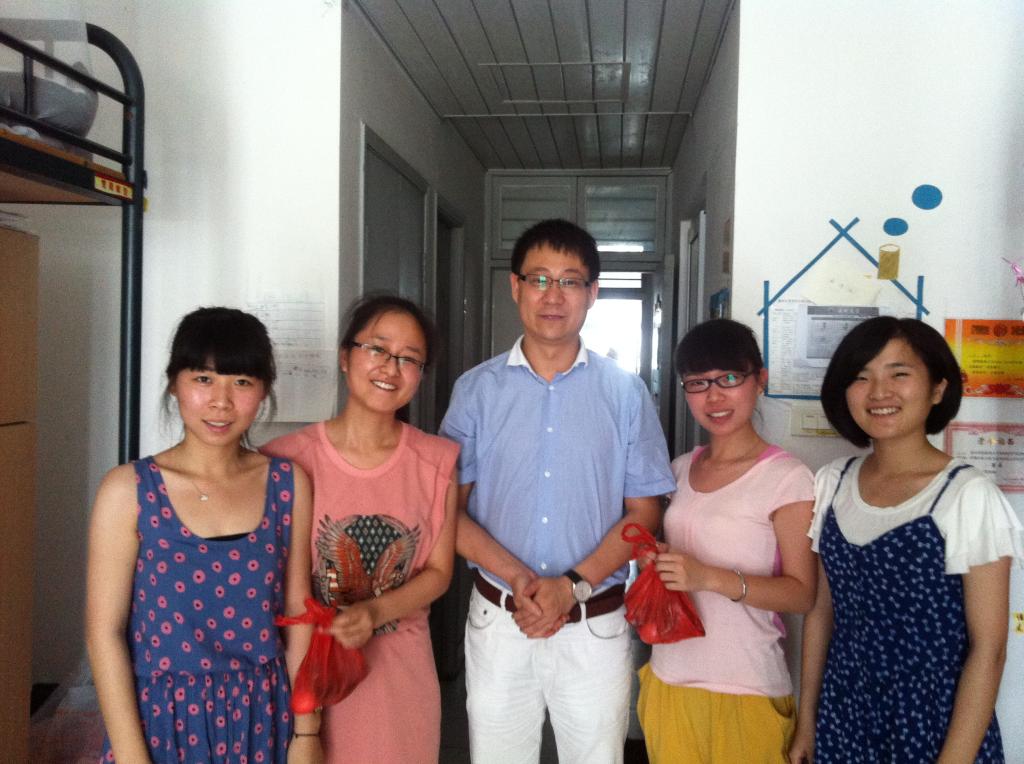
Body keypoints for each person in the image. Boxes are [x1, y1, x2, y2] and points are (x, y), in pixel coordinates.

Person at [440, 218, 676, 764]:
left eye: (570, 281)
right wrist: (523, 580)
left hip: (595, 626)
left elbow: (645, 512)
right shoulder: (475, 391)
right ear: (515, 286)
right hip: (500, 621)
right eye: (539, 278)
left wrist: (571, 587)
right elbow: (448, 511)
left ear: (592, 293)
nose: (553, 295)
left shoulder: (626, 394)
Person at [86, 307, 319, 763]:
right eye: (203, 379)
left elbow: (299, 613)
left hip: (264, 717)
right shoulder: (128, 490)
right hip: (160, 721)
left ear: (264, 390)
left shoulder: (287, 483)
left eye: (242, 382)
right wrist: (132, 756)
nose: (221, 402)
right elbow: (103, 633)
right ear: (175, 383)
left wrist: (306, 733)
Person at [789, 317, 1023, 763]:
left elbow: (989, 650)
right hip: (844, 714)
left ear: (937, 388)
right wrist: (808, 719)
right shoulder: (832, 482)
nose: (879, 392)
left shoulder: (967, 495)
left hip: (935, 723)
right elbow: (821, 613)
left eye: (899, 373)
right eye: (861, 377)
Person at [262, 294, 458, 764]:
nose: (391, 367)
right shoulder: (285, 460)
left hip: (400, 682)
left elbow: (438, 573)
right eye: (378, 349)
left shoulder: (437, 460)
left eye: (409, 358)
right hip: (303, 676)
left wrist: (374, 612)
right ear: (345, 357)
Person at [636, 319, 818, 763]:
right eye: (698, 383)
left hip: (747, 688)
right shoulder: (679, 469)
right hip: (669, 678)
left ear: (760, 380)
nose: (714, 396)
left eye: (729, 378)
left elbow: (801, 594)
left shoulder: (788, 478)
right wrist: (654, 561)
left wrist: (708, 578)